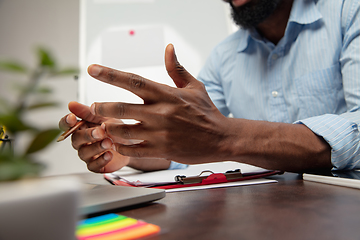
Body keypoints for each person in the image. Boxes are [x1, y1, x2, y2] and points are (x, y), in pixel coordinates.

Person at [59, 0, 360, 173]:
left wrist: (227, 137)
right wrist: (128, 145)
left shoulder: (349, 12)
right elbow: (192, 142)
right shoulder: (224, 55)